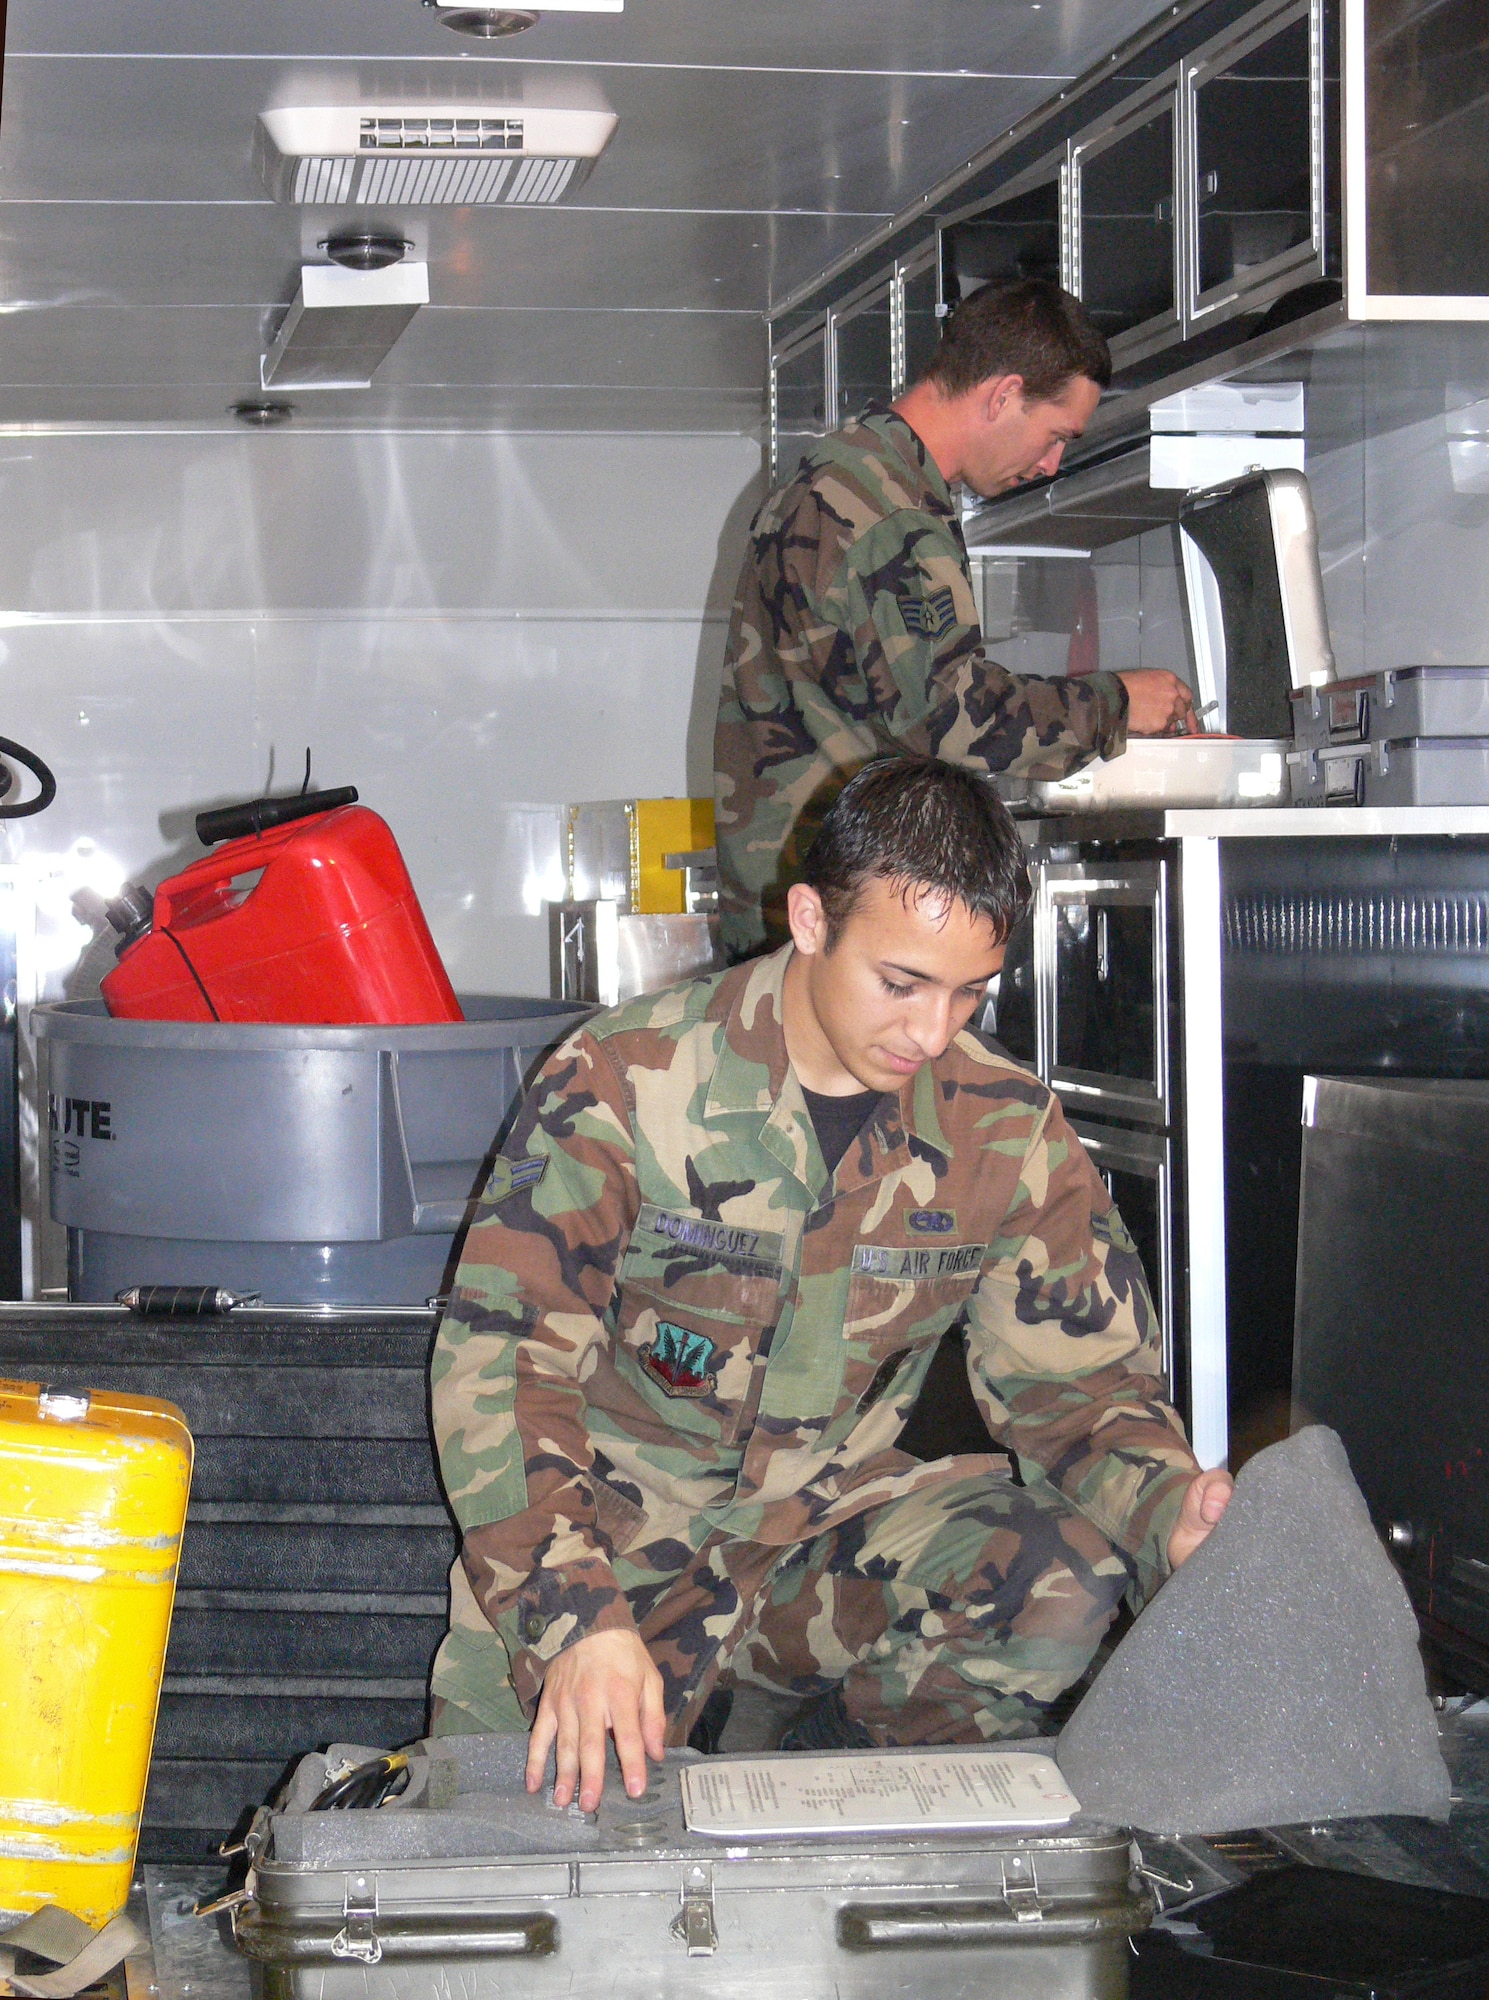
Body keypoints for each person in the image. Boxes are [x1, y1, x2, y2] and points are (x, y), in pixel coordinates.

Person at [430, 758, 1231, 1810]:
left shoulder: (1003, 1124)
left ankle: (847, 1798)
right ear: (809, 919)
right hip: (603, 1560)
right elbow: (499, 1367)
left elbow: (1078, 1392)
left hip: (817, 1552)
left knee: (1056, 1569)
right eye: (900, 982)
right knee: (495, 1876)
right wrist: (574, 1618)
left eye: (968, 991)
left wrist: (1173, 1505)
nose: (932, 1031)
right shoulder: (622, 1081)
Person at [714, 277, 1199, 962]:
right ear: (1002, 394)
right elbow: (954, 719)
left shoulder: (841, 472)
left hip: (801, 907)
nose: (1052, 462)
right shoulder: (893, 514)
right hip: (836, 929)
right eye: (1055, 434)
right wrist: (1116, 702)